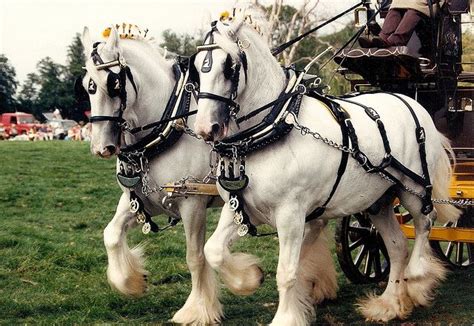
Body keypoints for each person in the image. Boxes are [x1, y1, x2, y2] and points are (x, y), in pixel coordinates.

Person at [359, 0, 445, 48]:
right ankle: (382, 38)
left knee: (415, 4)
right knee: (397, 2)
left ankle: (395, 41)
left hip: (432, 3)